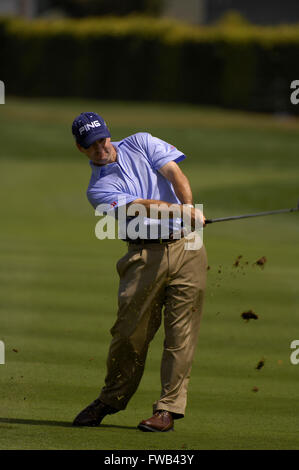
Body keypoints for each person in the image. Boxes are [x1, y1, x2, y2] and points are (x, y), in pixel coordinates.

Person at [71, 112, 208, 432]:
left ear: (108, 133)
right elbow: (141, 205)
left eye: (102, 139)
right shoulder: (99, 190)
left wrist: (189, 207)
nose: (101, 148)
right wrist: (180, 210)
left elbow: (174, 172)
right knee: (129, 335)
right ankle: (112, 398)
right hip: (144, 255)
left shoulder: (141, 142)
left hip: (189, 248)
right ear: (81, 149)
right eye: (91, 145)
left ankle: (167, 411)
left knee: (180, 334)